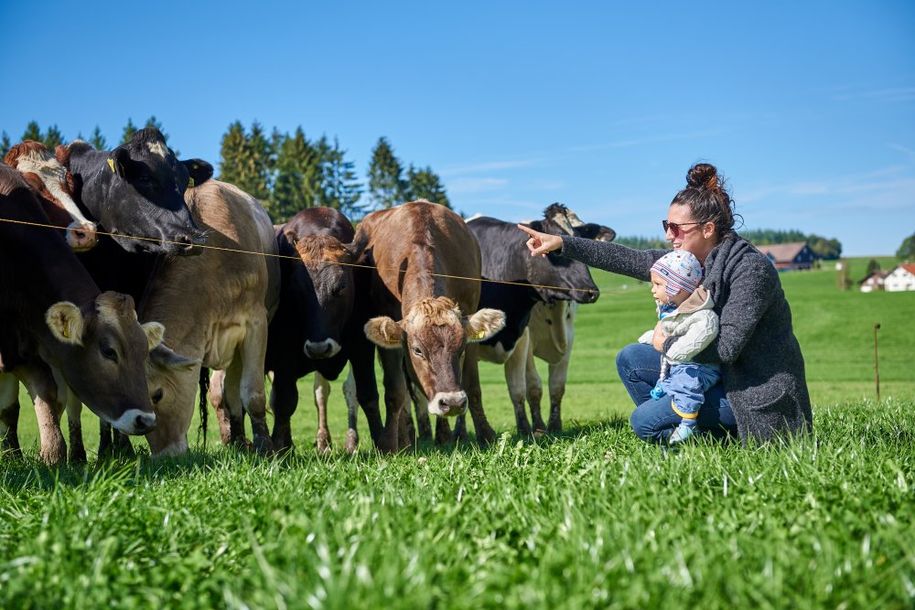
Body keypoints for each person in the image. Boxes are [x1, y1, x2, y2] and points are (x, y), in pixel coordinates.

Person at [517, 163, 812, 444]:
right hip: (713, 377)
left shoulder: (750, 269)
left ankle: (692, 434)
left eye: (676, 227)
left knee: (643, 421)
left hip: (752, 392)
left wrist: (665, 344)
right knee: (630, 359)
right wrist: (563, 243)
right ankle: (688, 432)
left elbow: (727, 347)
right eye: (665, 225)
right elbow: (630, 259)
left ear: (707, 229)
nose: (668, 235)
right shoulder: (689, 263)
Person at [639, 250, 720, 444]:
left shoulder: (704, 316)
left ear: (678, 287)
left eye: (658, 284)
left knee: (687, 381)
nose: (653, 289)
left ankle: (688, 424)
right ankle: (664, 422)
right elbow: (670, 331)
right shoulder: (674, 310)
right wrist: (653, 337)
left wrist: (665, 347)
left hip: (699, 367)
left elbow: (690, 344)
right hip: (679, 362)